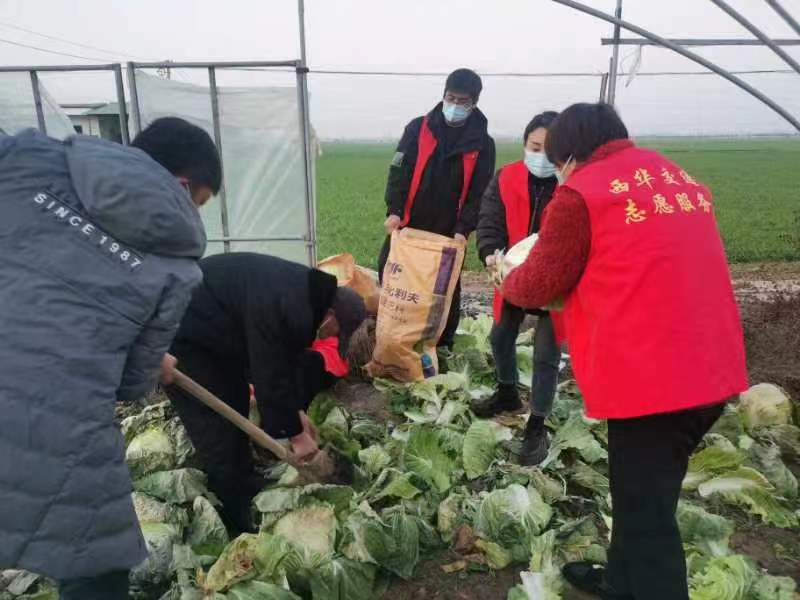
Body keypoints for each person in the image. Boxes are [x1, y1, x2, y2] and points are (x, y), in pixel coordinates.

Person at [502, 103, 747, 600]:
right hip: (709, 366)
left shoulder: (580, 194)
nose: (557, 170)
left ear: (571, 154)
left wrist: (507, 279)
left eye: (557, 160)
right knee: (641, 494)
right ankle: (620, 583)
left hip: (654, 382)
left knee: (648, 518)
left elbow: (537, 283)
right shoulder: (672, 176)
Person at [0, 117, 221, 600]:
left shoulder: (25, 157)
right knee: (96, 566)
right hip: (56, 426)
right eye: (200, 203)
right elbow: (132, 384)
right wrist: (149, 357)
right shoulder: (177, 265)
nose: (196, 215)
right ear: (182, 185)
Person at [161, 252, 367, 533]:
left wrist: (295, 414)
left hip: (216, 332)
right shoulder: (290, 303)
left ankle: (244, 479)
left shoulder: (305, 295)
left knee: (235, 399)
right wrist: (297, 437)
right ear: (331, 315)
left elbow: (280, 363)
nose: (331, 337)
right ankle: (233, 514)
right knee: (216, 427)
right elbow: (268, 370)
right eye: (336, 331)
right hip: (184, 331)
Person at [379, 68, 496, 351]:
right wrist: (394, 210)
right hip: (410, 222)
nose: (455, 105)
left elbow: (480, 192)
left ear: (474, 103)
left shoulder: (483, 144)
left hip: (449, 231)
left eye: (462, 101)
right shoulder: (418, 129)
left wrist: (464, 229)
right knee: (391, 274)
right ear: (443, 95)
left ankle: (440, 347)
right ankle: (390, 337)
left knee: (444, 290)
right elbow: (399, 170)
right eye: (451, 98)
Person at [474, 111, 561, 466]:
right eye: (535, 147)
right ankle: (507, 392)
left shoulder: (573, 185)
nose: (541, 156)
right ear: (525, 144)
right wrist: (489, 253)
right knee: (500, 336)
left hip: (556, 284)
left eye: (550, 150)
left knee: (546, 354)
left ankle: (537, 424)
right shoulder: (506, 177)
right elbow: (489, 220)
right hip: (513, 275)